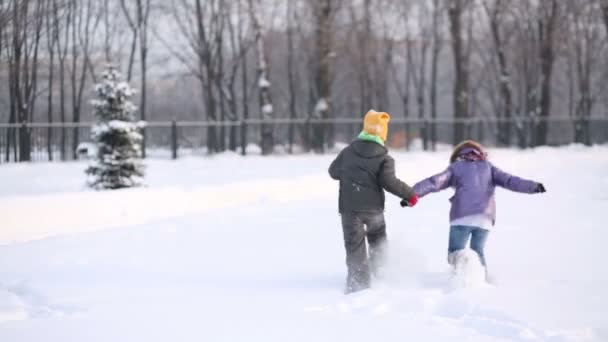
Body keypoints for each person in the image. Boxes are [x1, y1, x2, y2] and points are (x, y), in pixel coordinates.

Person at [413, 140, 546, 273]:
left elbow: (435, 181)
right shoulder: (489, 167)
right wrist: (533, 186)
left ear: (458, 155)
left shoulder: (456, 167)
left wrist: (412, 193)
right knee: (478, 252)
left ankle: (462, 271)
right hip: (485, 218)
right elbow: (510, 180)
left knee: (454, 253)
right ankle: (481, 281)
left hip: (462, 217)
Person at [329, 110, 419, 294]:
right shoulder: (385, 158)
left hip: (350, 210)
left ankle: (358, 284)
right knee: (378, 241)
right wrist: (410, 194)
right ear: (382, 133)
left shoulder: (347, 152)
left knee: (355, 246)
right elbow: (389, 182)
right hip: (373, 210)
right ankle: (381, 276)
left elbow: (333, 172)